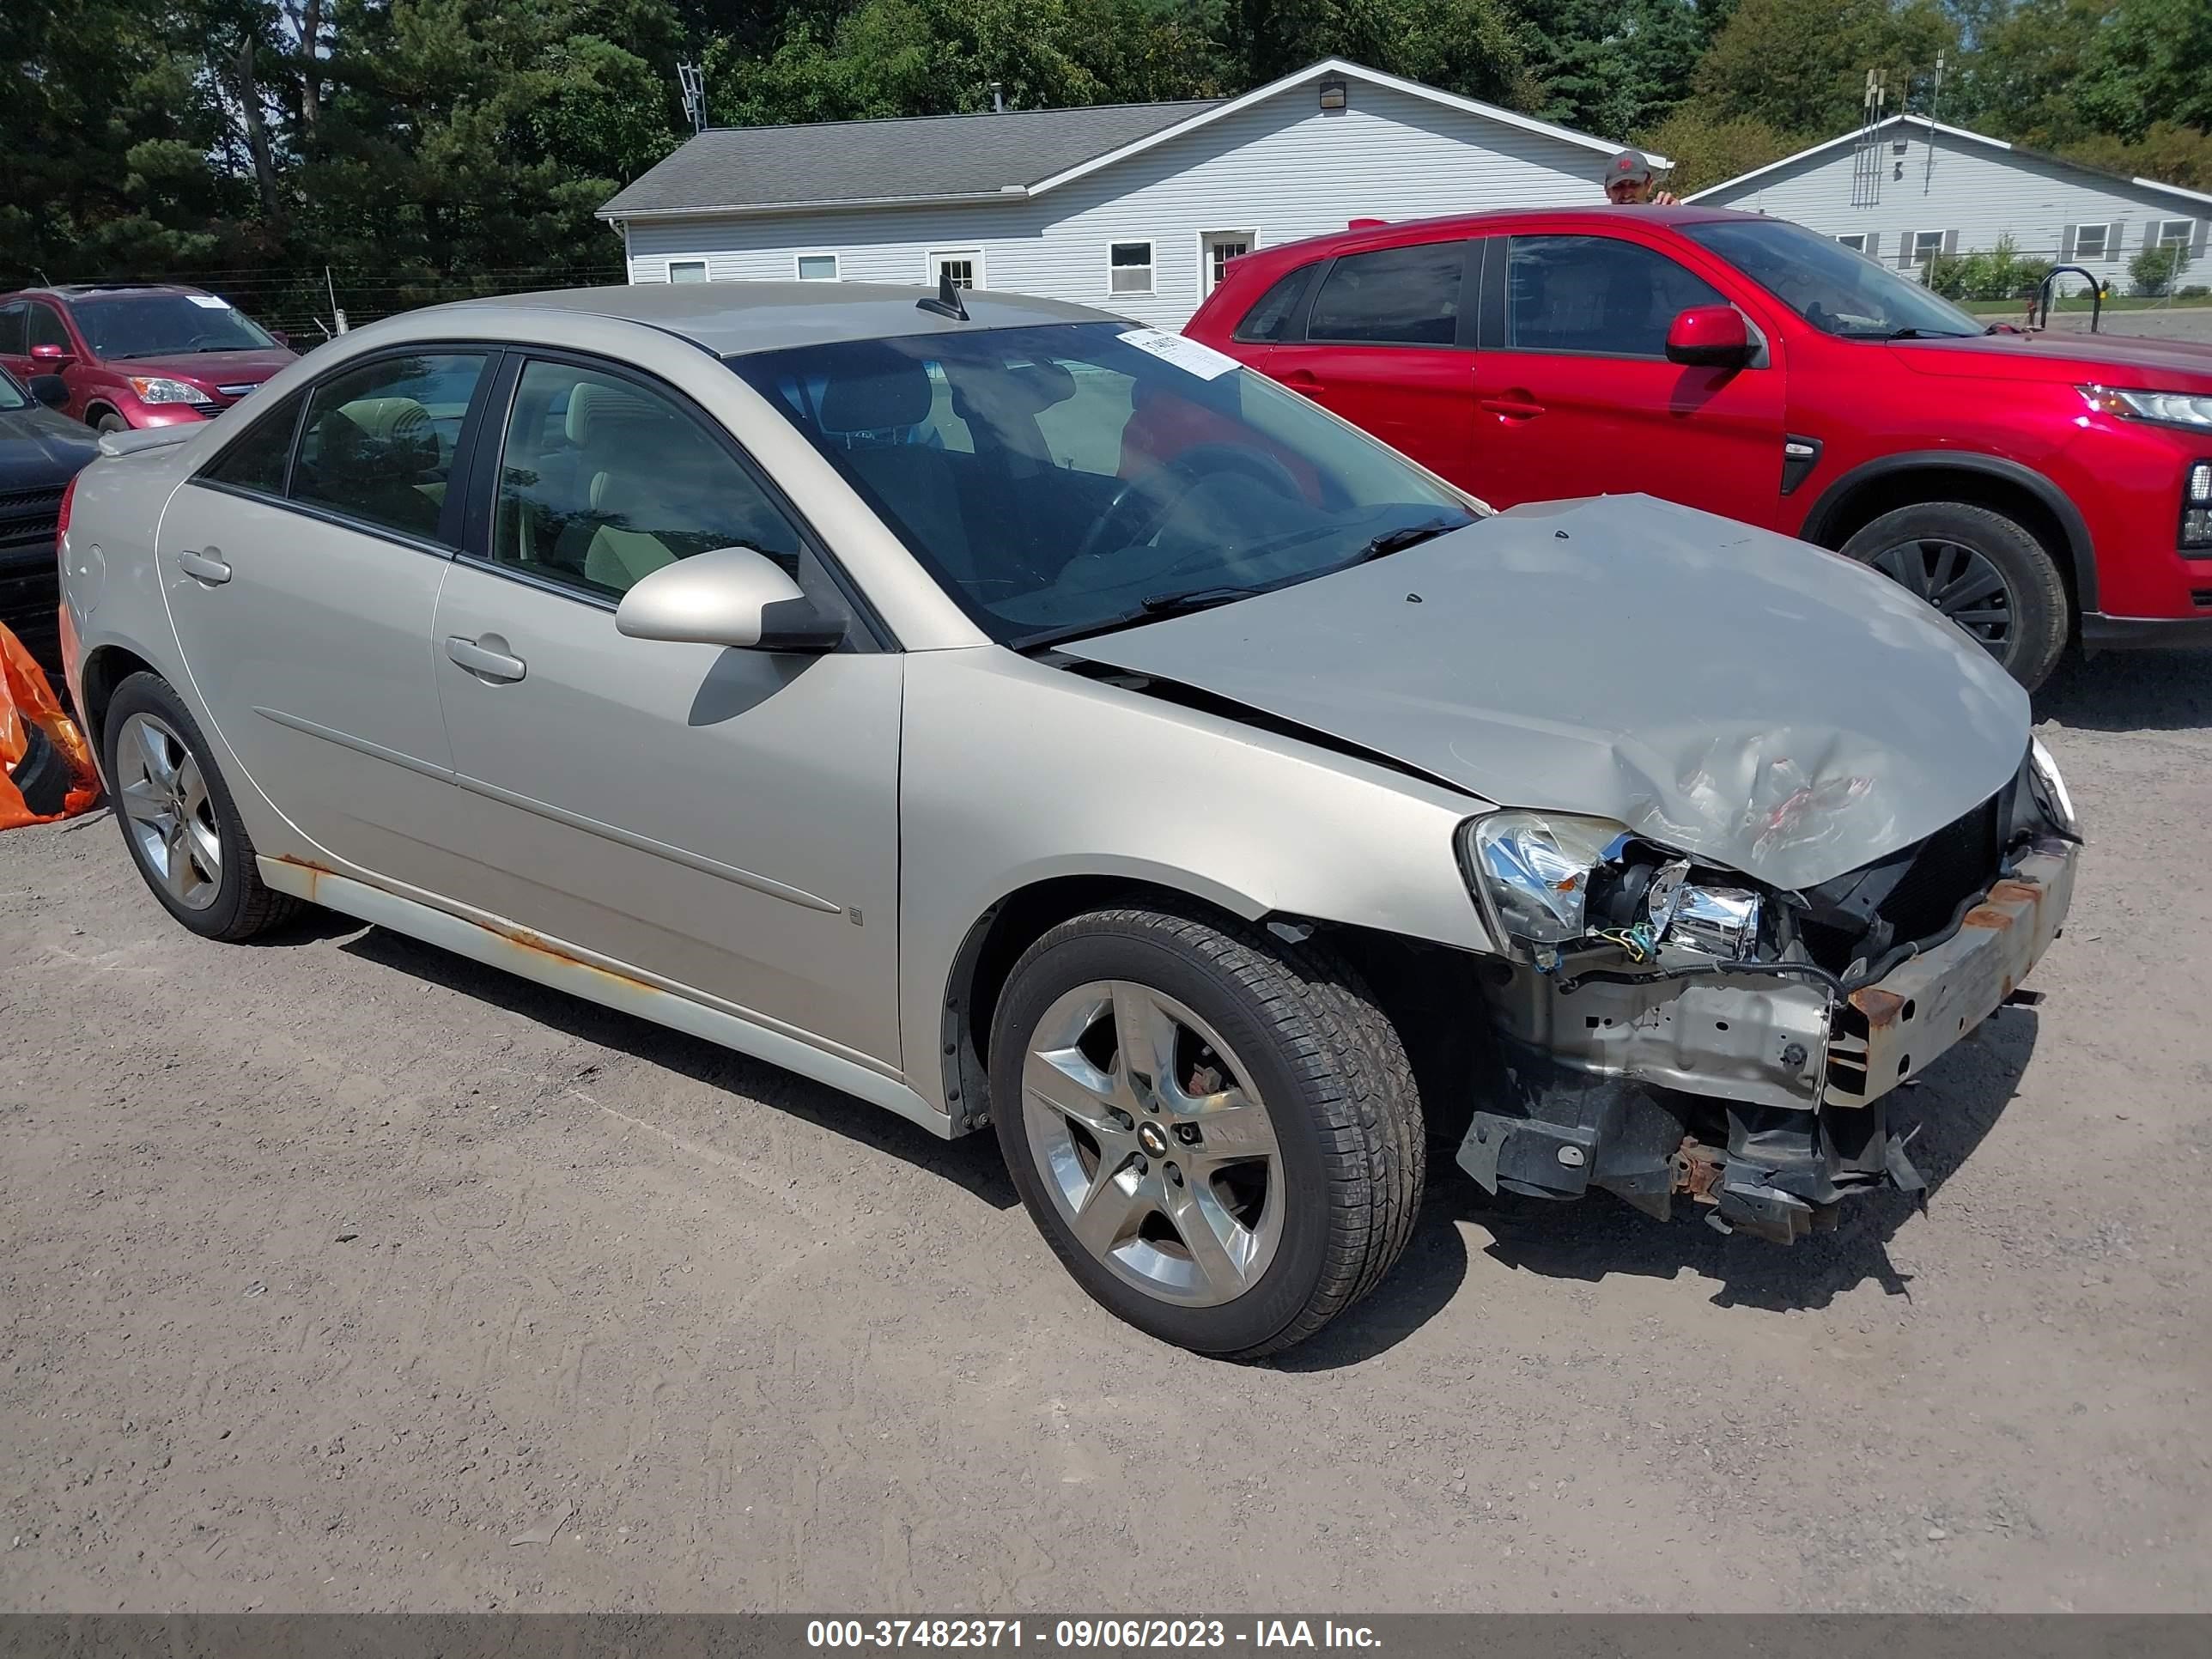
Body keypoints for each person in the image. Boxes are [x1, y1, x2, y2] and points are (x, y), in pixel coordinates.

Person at [1603, 149, 1677, 205]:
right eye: (1618, 186)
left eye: (1634, 184)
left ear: (1649, 185)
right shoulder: (1597, 222)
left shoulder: (1660, 217)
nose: (1626, 195)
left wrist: (1676, 214)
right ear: (1607, 191)